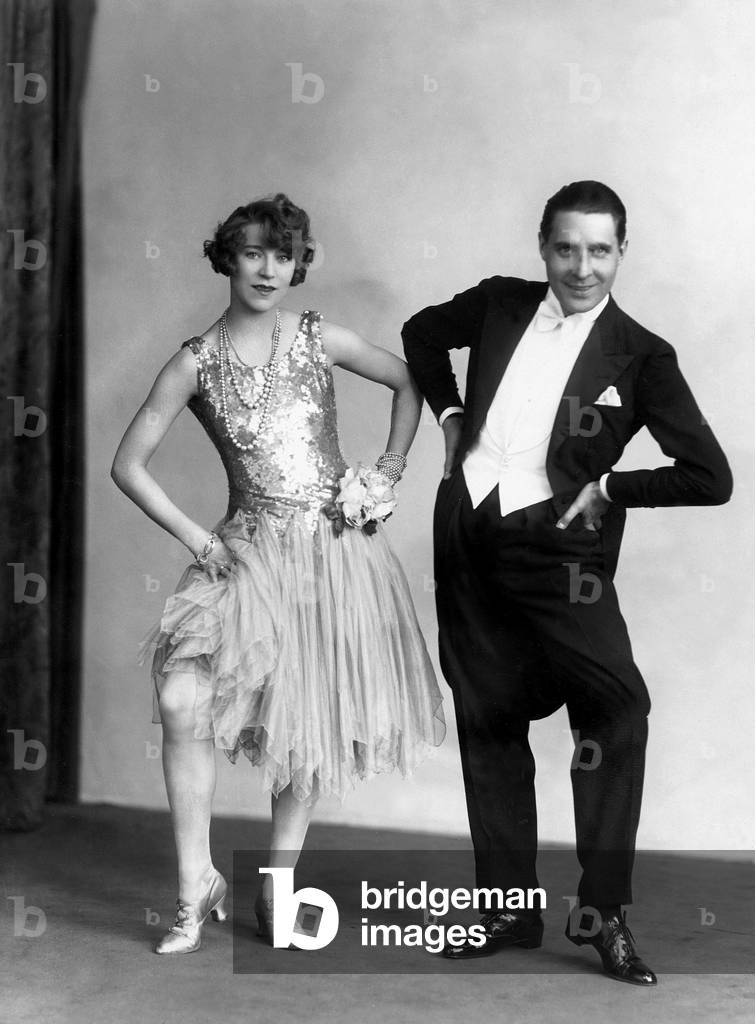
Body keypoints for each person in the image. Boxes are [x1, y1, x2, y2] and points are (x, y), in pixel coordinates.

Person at [401, 180, 732, 985]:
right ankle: (507, 911)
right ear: (542, 247)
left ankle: (602, 912)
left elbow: (709, 475)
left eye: (599, 250)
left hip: (560, 559)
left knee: (616, 708)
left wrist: (612, 488)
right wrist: (447, 416)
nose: (580, 267)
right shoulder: (497, 305)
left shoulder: (642, 354)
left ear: (622, 251)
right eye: (565, 248)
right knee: (488, 721)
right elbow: (418, 333)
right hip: (470, 538)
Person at [111, 193, 445, 955]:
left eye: (282, 254)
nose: (268, 267)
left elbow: (409, 382)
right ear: (227, 257)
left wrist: (385, 472)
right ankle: (194, 883)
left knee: (306, 717)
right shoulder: (194, 361)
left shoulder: (318, 338)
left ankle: (279, 883)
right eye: (254, 251)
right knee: (181, 698)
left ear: (299, 265)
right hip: (248, 552)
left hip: (332, 553)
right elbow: (127, 465)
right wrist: (201, 540)